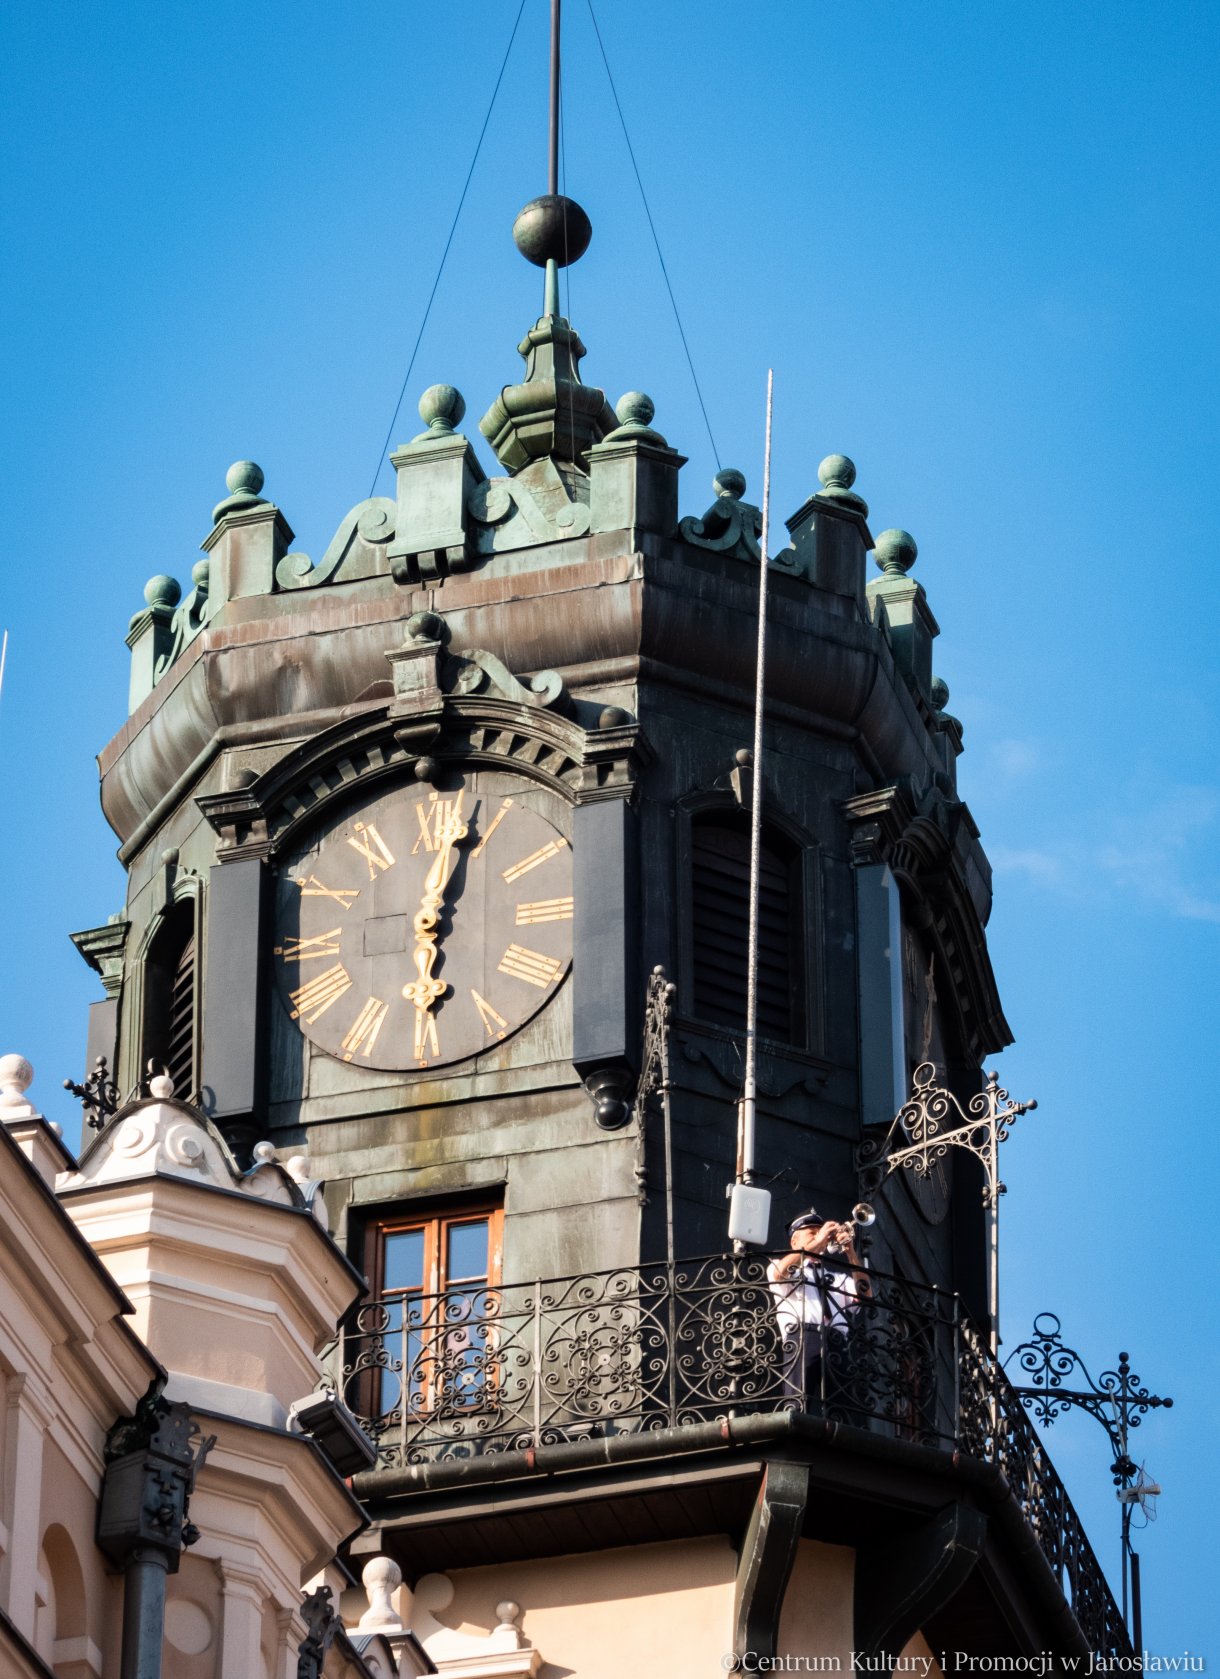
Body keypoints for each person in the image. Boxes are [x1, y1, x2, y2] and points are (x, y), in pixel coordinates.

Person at [767, 1207, 871, 1405]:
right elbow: (780, 1273)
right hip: (802, 1336)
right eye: (812, 1233)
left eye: (820, 1232)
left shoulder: (838, 1278)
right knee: (797, 1400)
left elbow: (865, 1295)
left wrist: (850, 1251)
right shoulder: (781, 1265)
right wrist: (820, 1239)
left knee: (842, 1405)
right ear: (795, 1241)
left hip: (837, 1341)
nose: (820, 1236)